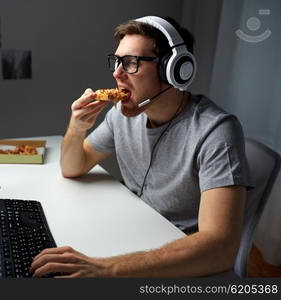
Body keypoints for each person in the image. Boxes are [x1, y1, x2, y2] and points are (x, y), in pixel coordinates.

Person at [30, 16, 252, 277]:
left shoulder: (215, 131)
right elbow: (72, 167)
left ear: (174, 70)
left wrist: (107, 268)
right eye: (116, 62)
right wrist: (77, 127)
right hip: (134, 232)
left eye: (131, 63)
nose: (116, 73)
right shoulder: (121, 115)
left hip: (180, 260)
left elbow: (221, 249)